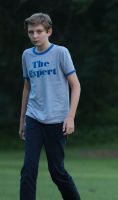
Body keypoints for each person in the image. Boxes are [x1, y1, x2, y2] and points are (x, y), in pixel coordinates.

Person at [18, 13, 81, 200]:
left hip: (57, 121)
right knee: (28, 169)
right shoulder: (27, 55)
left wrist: (70, 117)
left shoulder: (61, 52)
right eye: (31, 32)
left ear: (49, 31)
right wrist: (22, 120)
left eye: (39, 31)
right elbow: (27, 88)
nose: (35, 36)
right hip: (34, 118)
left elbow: (76, 85)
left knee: (57, 172)